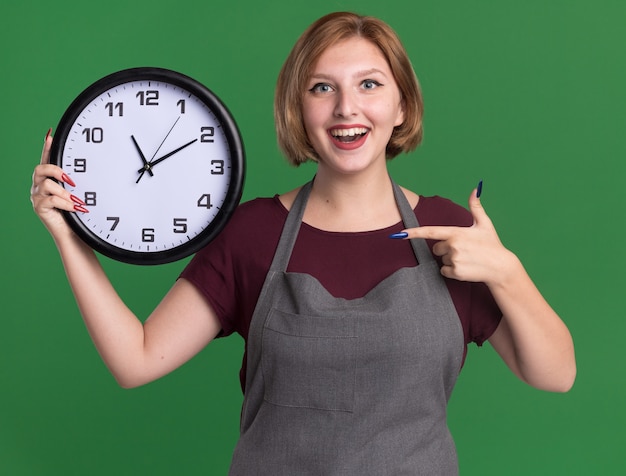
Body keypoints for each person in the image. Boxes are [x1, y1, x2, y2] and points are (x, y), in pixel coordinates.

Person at [31, 11, 575, 475]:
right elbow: (137, 360)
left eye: (369, 84)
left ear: (402, 107)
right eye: (322, 88)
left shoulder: (448, 232)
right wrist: (69, 236)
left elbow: (555, 375)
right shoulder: (251, 232)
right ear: (300, 110)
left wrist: (506, 271)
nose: (346, 108)